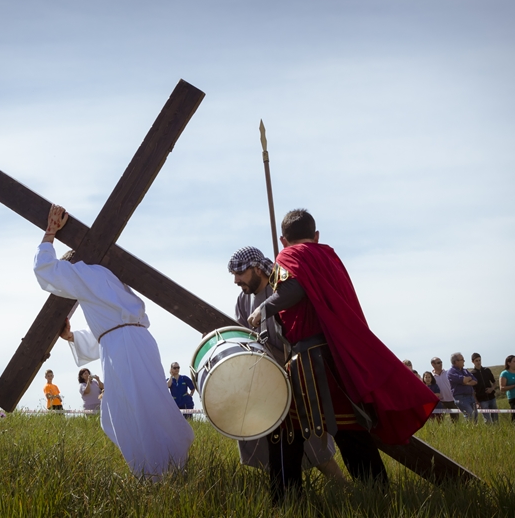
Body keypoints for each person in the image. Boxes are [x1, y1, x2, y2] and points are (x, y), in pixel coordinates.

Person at [247, 209, 437, 501]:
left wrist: (264, 309)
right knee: (349, 426)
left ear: (283, 240)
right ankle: (378, 493)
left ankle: (285, 498)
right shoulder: (330, 256)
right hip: (337, 354)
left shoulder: (290, 255)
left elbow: (294, 289)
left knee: (284, 424)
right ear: (317, 235)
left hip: (311, 359)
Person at [36, 204, 193, 478]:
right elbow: (113, 329)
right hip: (135, 341)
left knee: (133, 410)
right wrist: (73, 337)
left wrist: (49, 232)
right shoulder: (108, 278)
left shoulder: (82, 272)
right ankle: (169, 466)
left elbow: (46, 269)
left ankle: (155, 473)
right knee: (145, 405)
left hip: (126, 346)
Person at [228, 246, 343, 480]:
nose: (236, 280)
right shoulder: (243, 299)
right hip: (264, 382)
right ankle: (282, 492)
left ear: (257, 269)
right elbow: (244, 335)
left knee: (313, 443)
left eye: (240, 273)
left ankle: (344, 488)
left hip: (294, 377)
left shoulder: (282, 290)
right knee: (264, 442)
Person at [447, 352, 478, 422]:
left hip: (470, 396)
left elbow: (475, 381)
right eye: (462, 359)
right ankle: (469, 431)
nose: (464, 361)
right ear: (456, 362)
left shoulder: (465, 371)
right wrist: (466, 380)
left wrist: (465, 382)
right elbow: (463, 380)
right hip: (461, 398)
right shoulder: (451, 372)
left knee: (475, 416)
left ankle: (474, 431)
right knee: (470, 415)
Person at [470, 353, 498, 424]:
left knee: (495, 418)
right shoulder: (472, 374)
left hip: (492, 397)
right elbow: (472, 390)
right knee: (487, 420)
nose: (478, 362)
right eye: (476, 361)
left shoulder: (487, 370)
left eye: (479, 360)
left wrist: (491, 389)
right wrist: (477, 402)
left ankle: (498, 431)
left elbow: (494, 382)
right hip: (482, 400)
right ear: (473, 361)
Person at [431, 357, 459, 422]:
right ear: (433, 364)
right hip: (440, 402)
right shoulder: (431, 377)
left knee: (456, 421)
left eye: (441, 362)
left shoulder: (448, 373)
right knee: (440, 421)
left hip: (452, 400)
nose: (440, 364)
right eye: (438, 363)